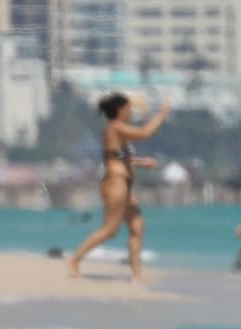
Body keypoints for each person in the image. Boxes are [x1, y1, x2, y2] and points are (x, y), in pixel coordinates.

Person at [66, 92, 171, 281]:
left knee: (137, 227)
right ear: (120, 110)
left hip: (125, 184)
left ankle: (136, 274)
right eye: (129, 108)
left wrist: (140, 162)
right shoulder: (116, 127)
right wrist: (162, 114)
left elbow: (118, 156)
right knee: (110, 230)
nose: (131, 112)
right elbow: (145, 133)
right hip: (115, 183)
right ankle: (74, 260)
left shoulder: (116, 131)